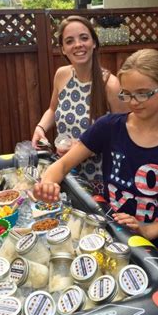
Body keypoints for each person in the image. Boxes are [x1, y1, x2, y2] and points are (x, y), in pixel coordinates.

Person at [35, 49, 158, 269]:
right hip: (112, 242)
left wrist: (147, 229)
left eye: (143, 93)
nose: (134, 102)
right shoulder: (109, 127)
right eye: (126, 94)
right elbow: (64, 164)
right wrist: (48, 181)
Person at [31, 15, 128, 192]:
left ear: (94, 43)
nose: (78, 44)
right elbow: (53, 109)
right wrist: (40, 128)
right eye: (70, 41)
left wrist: (83, 149)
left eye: (84, 38)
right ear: (63, 49)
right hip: (67, 172)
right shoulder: (62, 75)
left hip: (99, 179)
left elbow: (125, 136)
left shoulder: (111, 85)